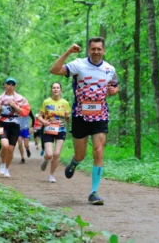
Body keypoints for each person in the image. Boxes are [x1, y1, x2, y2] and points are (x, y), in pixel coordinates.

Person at [50, 37, 119, 205]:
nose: (96, 51)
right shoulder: (78, 65)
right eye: (93, 48)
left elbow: (115, 87)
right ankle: (75, 162)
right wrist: (68, 52)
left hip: (100, 115)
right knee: (81, 154)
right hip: (80, 115)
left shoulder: (110, 69)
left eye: (99, 49)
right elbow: (54, 70)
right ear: (89, 50)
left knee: (98, 151)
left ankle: (94, 192)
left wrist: (113, 90)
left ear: (103, 51)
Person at [0, 77, 31, 178]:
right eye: (8, 84)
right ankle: (2, 164)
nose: (10, 86)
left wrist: (15, 106)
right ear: (5, 85)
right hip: (2, 124)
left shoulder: (21, 99)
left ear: (15, 86)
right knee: (5, 145)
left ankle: (6, 168)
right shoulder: (0, 98)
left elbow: (25, 112)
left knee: (10, 149)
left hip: (15, 125)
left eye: (12, 84)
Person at [37, 82, 70, 183]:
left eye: (58, 88)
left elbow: (68, 120)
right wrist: (44, 122)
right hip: (49, 129)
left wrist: (68, 117)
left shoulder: (65, 103)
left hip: (61, 129)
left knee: (56, 154)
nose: (56, 89)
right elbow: (39, 116)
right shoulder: (46, 102)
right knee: (50, 154)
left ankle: (51, 175)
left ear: (61, 90)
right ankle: (46, 159)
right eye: (54, 88)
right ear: (51, 90)